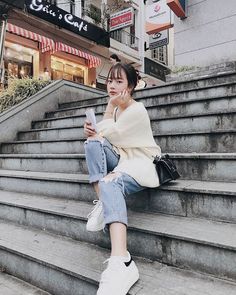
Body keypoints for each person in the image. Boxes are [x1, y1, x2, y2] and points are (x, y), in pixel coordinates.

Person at [83, 63, 161, 295]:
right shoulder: (117, 109)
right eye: (110, 81)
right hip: (124, 158)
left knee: (109, 180)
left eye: (119, 82)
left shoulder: (137, 110)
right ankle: (105, 202)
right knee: (92, 143)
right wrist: (97, 130)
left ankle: (122, 261)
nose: (113, 86)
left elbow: (111, 133)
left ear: (131, 86)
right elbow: (105, 136)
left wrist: (103, 117)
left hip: (142, 163)